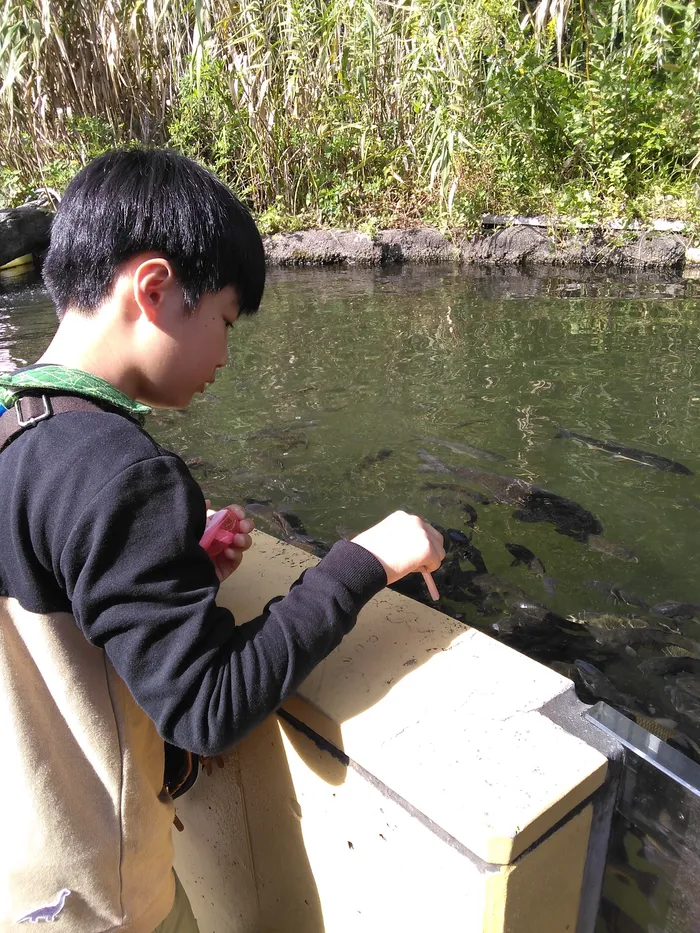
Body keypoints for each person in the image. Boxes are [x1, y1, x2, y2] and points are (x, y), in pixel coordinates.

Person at [0, 148, 444, 933]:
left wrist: (177, 568)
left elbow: (54, 592)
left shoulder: (15, 423)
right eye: (225, 322)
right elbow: (206, 707)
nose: (226, 357)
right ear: (155, 288)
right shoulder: (122, 472)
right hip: (103, 902)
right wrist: (362, 561)